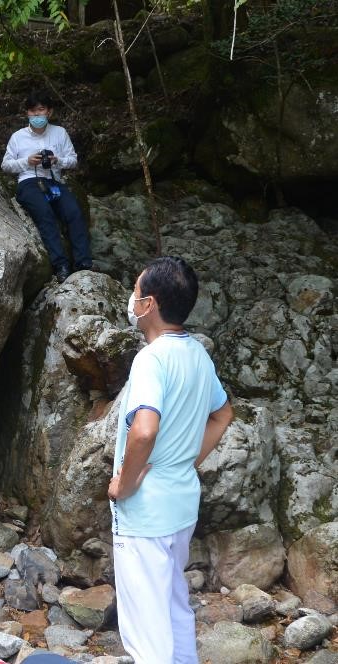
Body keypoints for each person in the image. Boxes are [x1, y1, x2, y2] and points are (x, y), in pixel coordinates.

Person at [107, 256, 234, 664]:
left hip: (145, 513)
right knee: (174, 604)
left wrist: (123, 485)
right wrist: (186, 459)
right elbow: (223, 413)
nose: (132, 298)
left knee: (146, 637)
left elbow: (144, 430)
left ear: (151, 304)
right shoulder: (197, 353)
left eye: (136, 290)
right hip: (181, 505)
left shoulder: (151, 359)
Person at [2, 91, 93, 283]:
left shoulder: (59, 132)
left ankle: (84, 263)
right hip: (28, 182)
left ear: (49, 112)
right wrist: (27, 162)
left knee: (74, 213)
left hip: (53, 182)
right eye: (32, 112)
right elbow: (6, 165)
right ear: (27, 113)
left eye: (41, 110)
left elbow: (73, 160)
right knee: (45, 214)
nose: (37, 115)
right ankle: (60, 265)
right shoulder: (18, 137)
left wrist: (56, 160)